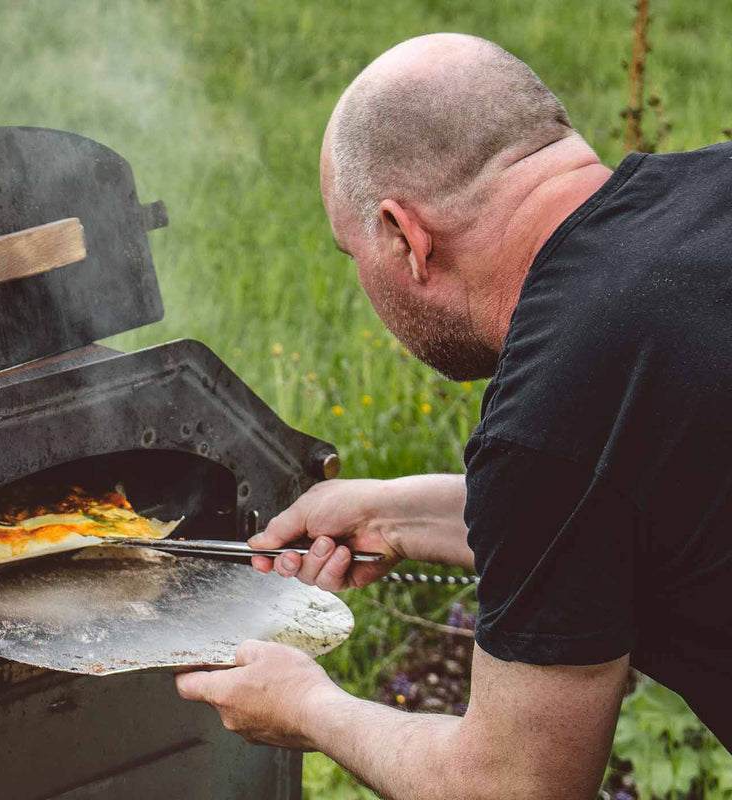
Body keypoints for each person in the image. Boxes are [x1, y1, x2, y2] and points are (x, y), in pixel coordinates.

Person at [175, 32, 732, 797]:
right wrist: (400, 513)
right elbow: (628, 495)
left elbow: (514, 784)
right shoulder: (712, 191)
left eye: (354, 255)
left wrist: (309, 707)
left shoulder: (555, 409)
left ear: (406, 237)